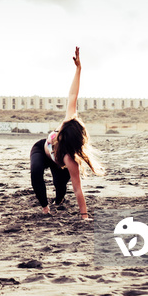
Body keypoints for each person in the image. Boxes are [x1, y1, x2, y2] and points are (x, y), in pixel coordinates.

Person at [29, 47, 104, 221]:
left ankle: (59, 199)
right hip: (42, 149)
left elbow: (78, 189)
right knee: (36, 171)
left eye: (61, 136)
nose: (59, 134)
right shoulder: (69, 122)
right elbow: (72, 95)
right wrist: (78, 69)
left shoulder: (70, 159)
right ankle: (45, 208)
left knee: (60, 187)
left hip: (58, 162)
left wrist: (84, 216)